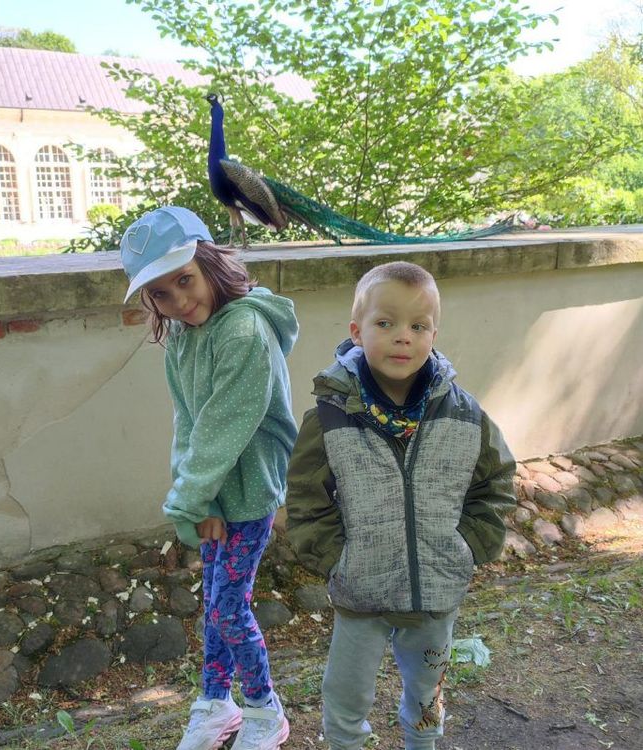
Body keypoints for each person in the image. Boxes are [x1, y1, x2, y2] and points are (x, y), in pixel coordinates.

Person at [285, 261, 515, 750]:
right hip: (361, 593)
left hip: (436, 590)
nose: (402, 337)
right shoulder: (330, 416)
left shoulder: (465, 413)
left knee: (427, 692)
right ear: (357, 331)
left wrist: (466, 547)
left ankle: (423, 744)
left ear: (434, 334)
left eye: (418, 326)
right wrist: (337, 558)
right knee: (345, 695)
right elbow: (306, 497)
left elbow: (495, 482)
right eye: (385, 322)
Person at [120, 206, 296, 750]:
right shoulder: (182, 336)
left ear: (210, 263)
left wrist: (188, 501)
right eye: (160, 293)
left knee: (227, 607)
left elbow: (223, 430)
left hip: (250, 489)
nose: (178, 301)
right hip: (215, 494)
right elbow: (189, 423)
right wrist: (199, 501)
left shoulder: (244, 329)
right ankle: (216, 703)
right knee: (218, 604)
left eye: (185, 280)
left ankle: (265, 710)